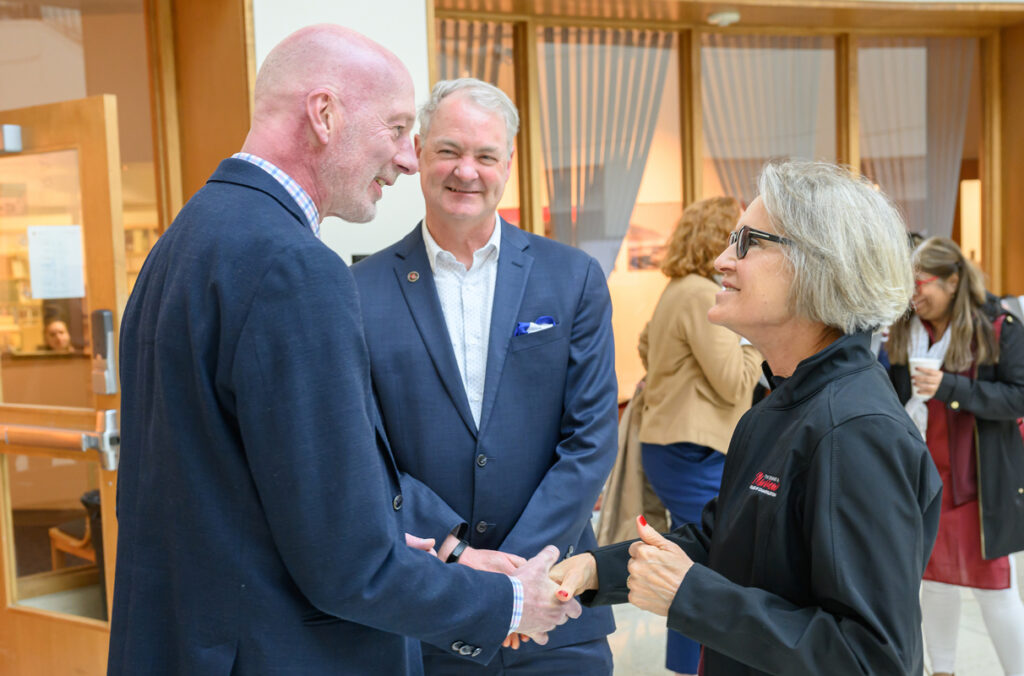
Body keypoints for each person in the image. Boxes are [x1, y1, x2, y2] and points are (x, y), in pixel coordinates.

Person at [111, 27, 579, 676]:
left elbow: (243, 488)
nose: (407, 159)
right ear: (324, 115)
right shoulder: (294, 268)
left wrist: (429, 548)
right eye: (394, 128)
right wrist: (507, 603)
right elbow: (349, 569)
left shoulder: (185, 239)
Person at [551, 160, 944, 676]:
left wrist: (691, 596)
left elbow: (872, 658)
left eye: (748, 243)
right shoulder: (781, 404)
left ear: (821, 264)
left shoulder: (855, 431)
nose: (721, 260)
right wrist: (593, 567)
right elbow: (725, 540)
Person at [352, 77, 617, 674]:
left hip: (557, 604)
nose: (465, 171)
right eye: (448, 150)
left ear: (509, 164)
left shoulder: (571, 278)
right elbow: (366, 447)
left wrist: (518, 578)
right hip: (427, 608)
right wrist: (456, 553)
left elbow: (592, 438)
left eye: (485, 156)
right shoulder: (358, 292)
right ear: (419, 152)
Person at [635, 196, 762, 676]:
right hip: (694, 450)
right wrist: (752, 339)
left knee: (688, 565)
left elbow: (645, 343)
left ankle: (685, 666)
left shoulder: (677, 288)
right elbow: (733, 381)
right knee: (701, 571)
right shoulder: (698, 293)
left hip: (675, 445)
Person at [886, 236, 1024, 676]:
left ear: (953, 281)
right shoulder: (908, 327)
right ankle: (940, 671)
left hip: (979, 482)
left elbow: (1018, 398)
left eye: (922, 283)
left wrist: (949, 387)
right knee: (934, 581)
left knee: (994, 588)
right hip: (922, 477)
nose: (914, 295)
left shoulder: (997, 325)